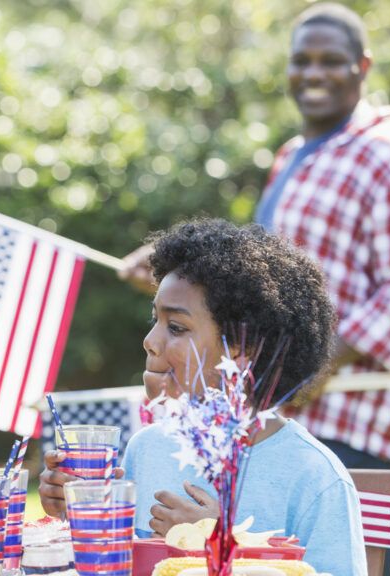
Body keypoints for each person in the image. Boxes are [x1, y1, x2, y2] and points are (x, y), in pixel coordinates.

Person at [119, 2, 390, 470]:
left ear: (364, 66)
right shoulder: (294, 155)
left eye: (331, 60)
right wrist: (181, 278)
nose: (314, 73)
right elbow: (261, 281)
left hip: (348, 421)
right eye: (302, 60)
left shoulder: (388, 156)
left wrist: (315, 358)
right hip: (272, 414)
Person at [42, 220, 366, 575]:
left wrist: (219, 544)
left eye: (176, 328)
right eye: (156, 321)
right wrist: (78, 514)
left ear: (243, 349)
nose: (150, 340)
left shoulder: (314, 477)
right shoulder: (147, 448)